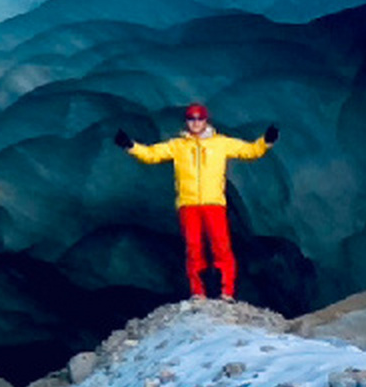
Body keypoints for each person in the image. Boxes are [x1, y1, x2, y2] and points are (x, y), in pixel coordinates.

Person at [113, 104, 279, 300]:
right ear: (187, 121)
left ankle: (226, 292)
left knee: (221, 247)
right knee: (193, 249)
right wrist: (131, 146)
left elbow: (249, 151)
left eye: (199, 118)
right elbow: (152, 154)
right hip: (188, 204)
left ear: (206, 120)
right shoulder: (178, 145)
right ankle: (198, 292)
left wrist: (266, 142)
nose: (196, 122)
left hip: (214, 204)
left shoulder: (221, 143)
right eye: (192, 119)